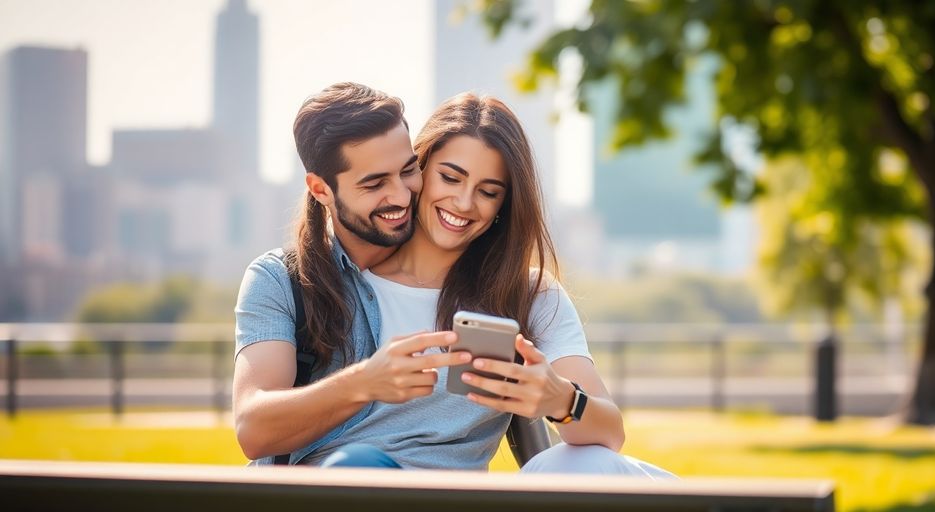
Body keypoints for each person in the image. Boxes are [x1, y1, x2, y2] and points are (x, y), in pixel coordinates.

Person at [317, 93, 673, 477]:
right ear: (417, 171)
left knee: (589, 461)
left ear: (504, 204)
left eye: (488, 192)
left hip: (461, 501)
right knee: (356, 467)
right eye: (450, 177)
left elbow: (610, 432)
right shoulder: (337, 280)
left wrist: (560, 399)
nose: (464, 202)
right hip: (357, 490)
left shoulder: (527, 293)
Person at [233, 82, 468, 466]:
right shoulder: (279, 280)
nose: (402, 194)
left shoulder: (462, 276)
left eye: (409, 170)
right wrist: (364, 383)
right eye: (375, 183)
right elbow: (253, 428)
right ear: (321, 189)